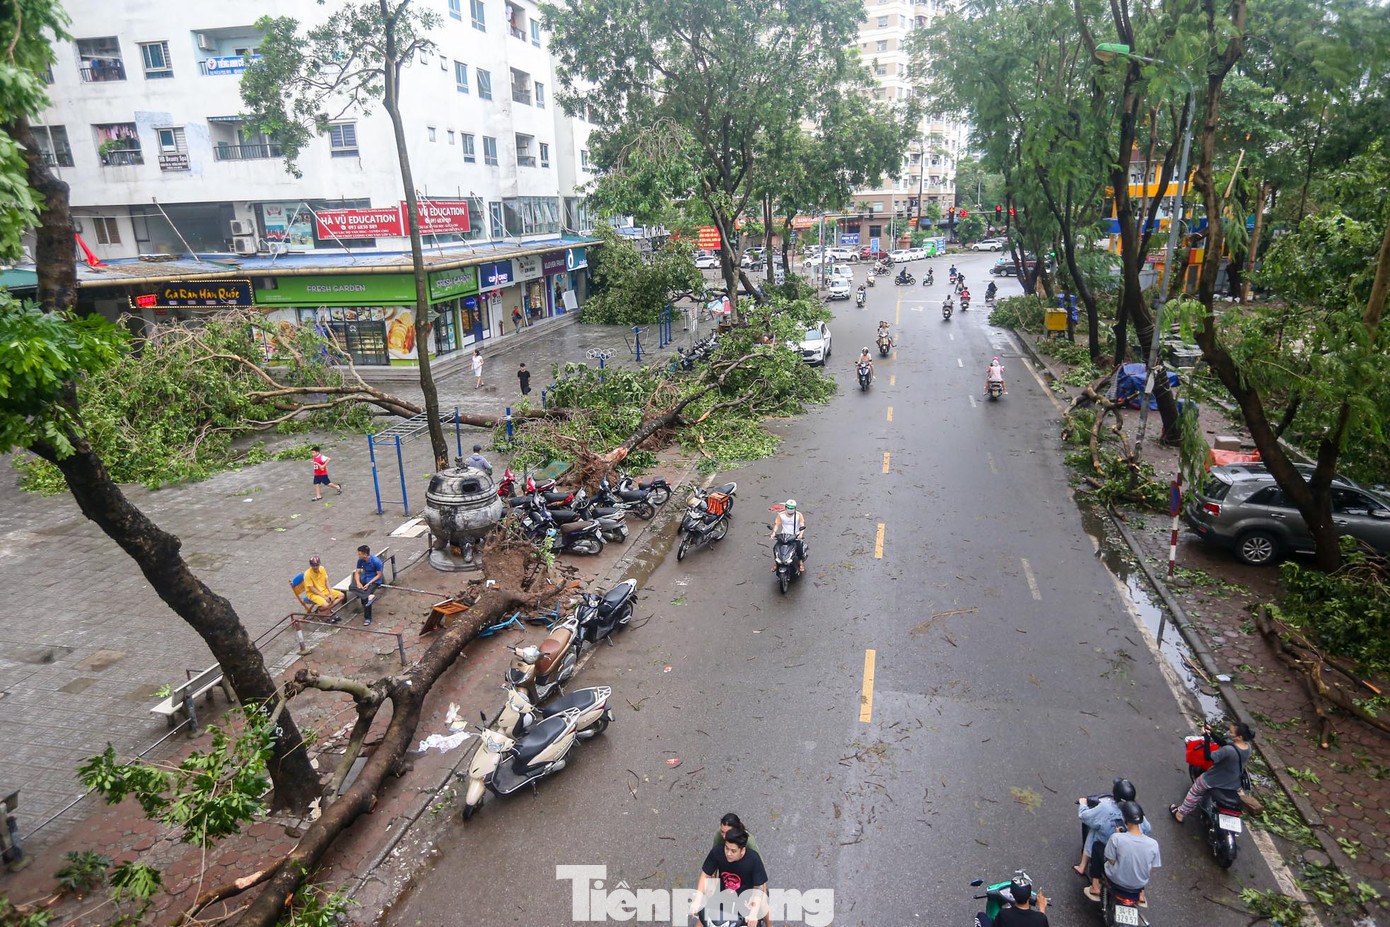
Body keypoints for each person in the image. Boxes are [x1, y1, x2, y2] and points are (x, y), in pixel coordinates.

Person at [1078, 777, 1151, 900]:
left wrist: (1083, 805)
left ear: (1124, 818)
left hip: (1115, 863)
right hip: (1136, 872)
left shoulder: (1116, 835)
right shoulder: (1150, 842)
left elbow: (1085, 817)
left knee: (1096, 843)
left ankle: (1092, 881)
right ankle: (1142, 893)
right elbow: (1147, 829)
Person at [1170, 721, 1253, 823]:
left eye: (1231, 733)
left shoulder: (1228, 750)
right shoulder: (1247, 747)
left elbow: (1208, 757)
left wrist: (1206, 738)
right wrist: (1212, 733)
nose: (1229, 733)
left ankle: (1180, 813)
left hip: (1214, 779)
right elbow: (1224, 743)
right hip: (1233, 783)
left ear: (1239, 737)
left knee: (1195, 790)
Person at [694, 826, 770, 927]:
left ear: (742, 850)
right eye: (727, 848)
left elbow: (758, 888)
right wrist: (697, 899)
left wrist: (753, 914)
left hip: (745, 902)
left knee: (763, 907)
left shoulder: (753, 859)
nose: (728, 853)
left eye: (733, 851)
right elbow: (705, 874)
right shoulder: (717, 852)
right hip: (723, 898)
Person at [1093, 801, 1161, 904]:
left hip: (1116, 880)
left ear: (1124, 818)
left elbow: (1111, 860)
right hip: (1138, 885)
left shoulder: (1116, 838)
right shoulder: (1153, 844)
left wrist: (1117, 835)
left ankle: (1095, 886)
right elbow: (1150, 868)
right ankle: (1142, 894)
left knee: (1097, 846)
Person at [350, 544, 384, 627]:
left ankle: (367, 618)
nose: (358, 555)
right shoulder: (360, 560)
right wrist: (358, 582)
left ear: (365, 554)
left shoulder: (376, 561)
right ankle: (369, 596)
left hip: (374, 580)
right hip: (365, 577)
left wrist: (369, 583)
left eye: (359, 554)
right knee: (352, 587)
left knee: (365, 598)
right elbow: (357, 572)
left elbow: (379, 575)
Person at [770, 499, 807, 574]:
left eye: (792, 508)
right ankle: (777, 563)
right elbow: (777, 525)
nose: (790, 509)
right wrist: (774, 533)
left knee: (799, 548)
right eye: (789, 508)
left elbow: (802, 525)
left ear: (795, 508)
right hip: (784, 536)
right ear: (786, 507)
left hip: (795, 536)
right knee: (776, 548)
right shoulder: (781, 515)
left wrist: (800, 534)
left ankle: (800, 562)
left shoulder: (798, 515)